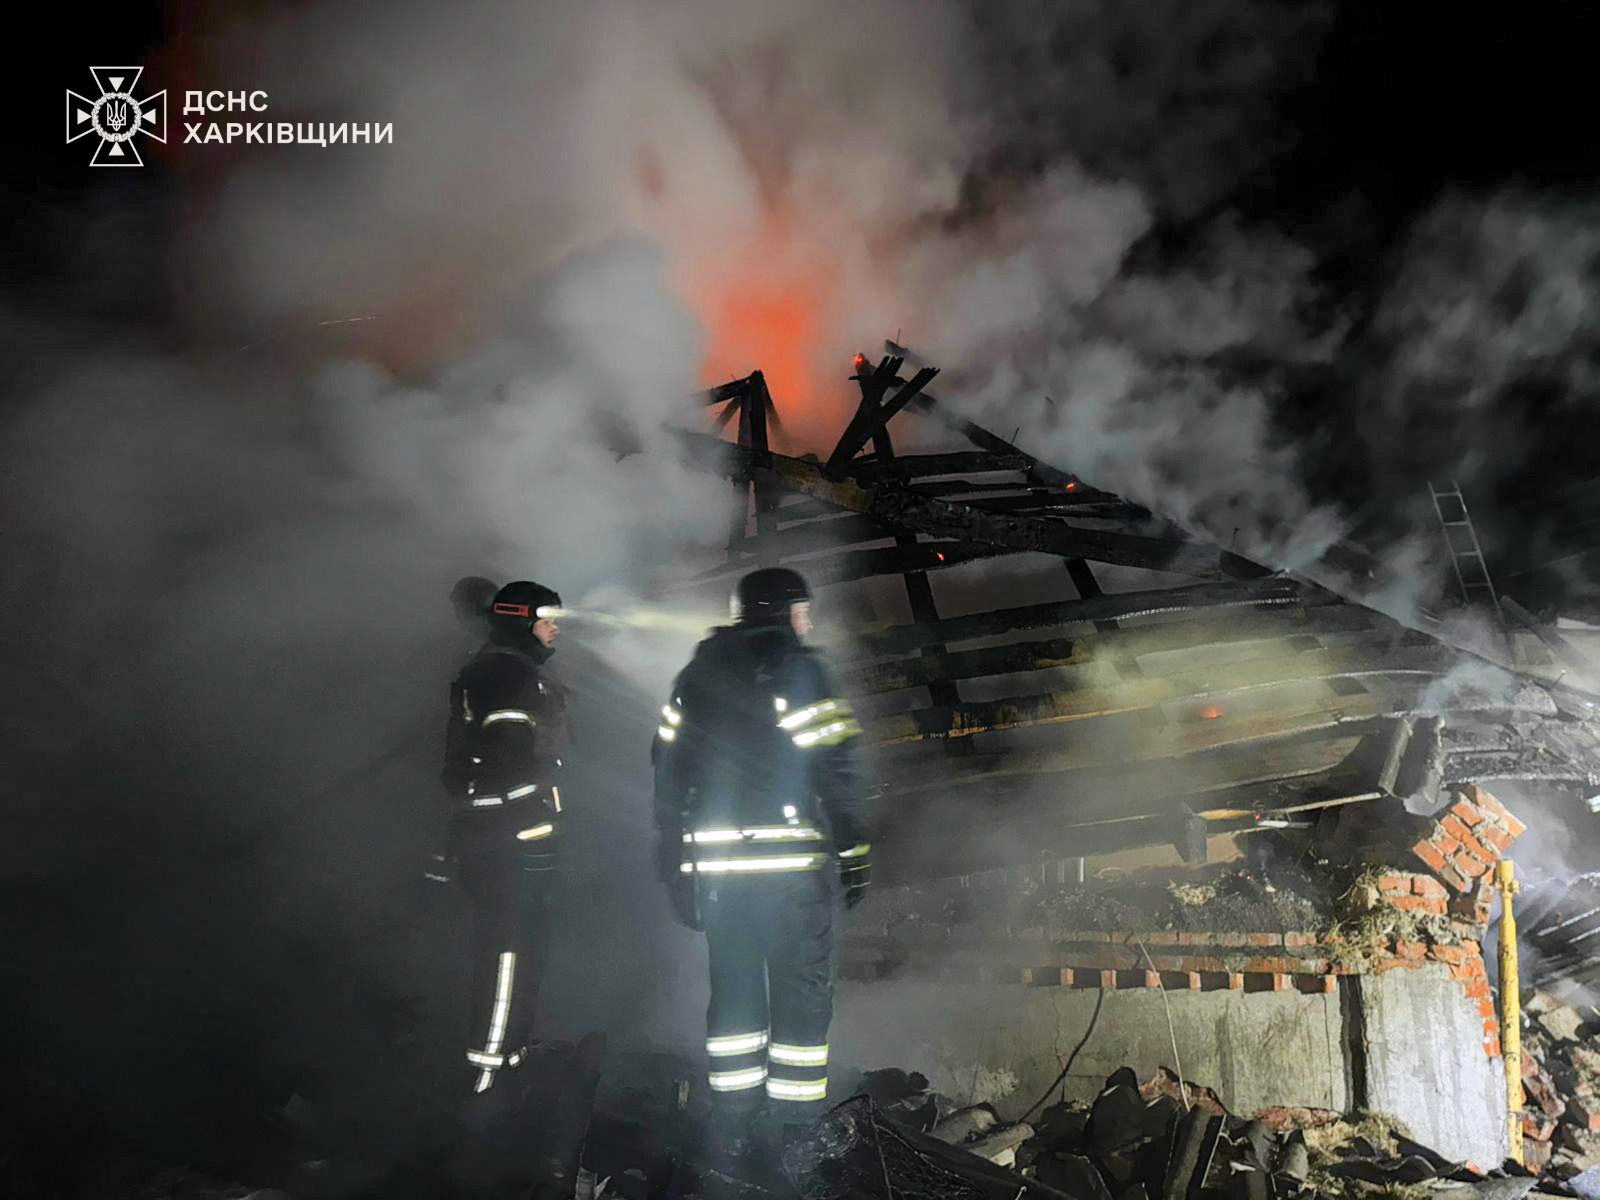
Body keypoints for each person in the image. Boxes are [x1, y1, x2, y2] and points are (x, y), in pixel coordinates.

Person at [651, 567, 871, 1153]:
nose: (809, 622)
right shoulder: (798, 670)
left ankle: (734, 1127)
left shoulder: (697, 675)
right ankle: (795, 1134)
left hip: (720, 875)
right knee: (800, 992)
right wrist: (853, 849)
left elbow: (668, 772)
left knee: (735, 993)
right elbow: (836, 765)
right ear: (783, 612)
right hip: (790, 875)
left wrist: (672, 859)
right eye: (803, 610)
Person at [440, 579, 569, 1099]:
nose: (554, 629)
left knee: (524, 950)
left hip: (510, 837)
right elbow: (506, 763)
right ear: (521, 620)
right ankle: (487, 1074)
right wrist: (531, 830)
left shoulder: (511, 670)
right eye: (545, 619)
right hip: (507, 842)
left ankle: (510, 1057)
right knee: (508, 954)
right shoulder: (504, 674)